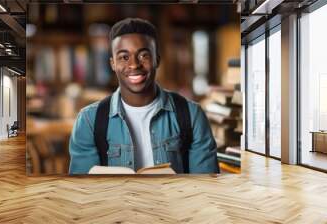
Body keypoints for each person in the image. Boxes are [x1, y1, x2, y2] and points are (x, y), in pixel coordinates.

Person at [69, 18, 219, 174]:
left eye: (143, 56)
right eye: (124, 57)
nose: (134, 65)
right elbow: (83, 190)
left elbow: (205, 187)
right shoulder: (89, 120)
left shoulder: (192, 115)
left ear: (157, 60)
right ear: (113, 64)